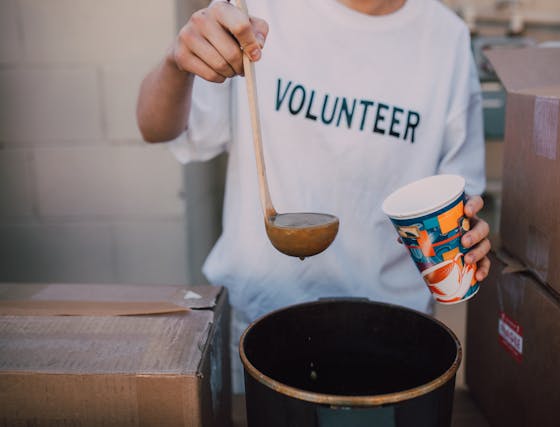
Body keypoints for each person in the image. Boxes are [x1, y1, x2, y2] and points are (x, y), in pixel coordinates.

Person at [137, 0, 491, 392]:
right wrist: (176, 63)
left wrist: (468, 232)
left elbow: (461, 191)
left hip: (392, 334)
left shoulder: (446, 37)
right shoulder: (252, 10)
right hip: (258, 324)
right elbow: (156, 128)